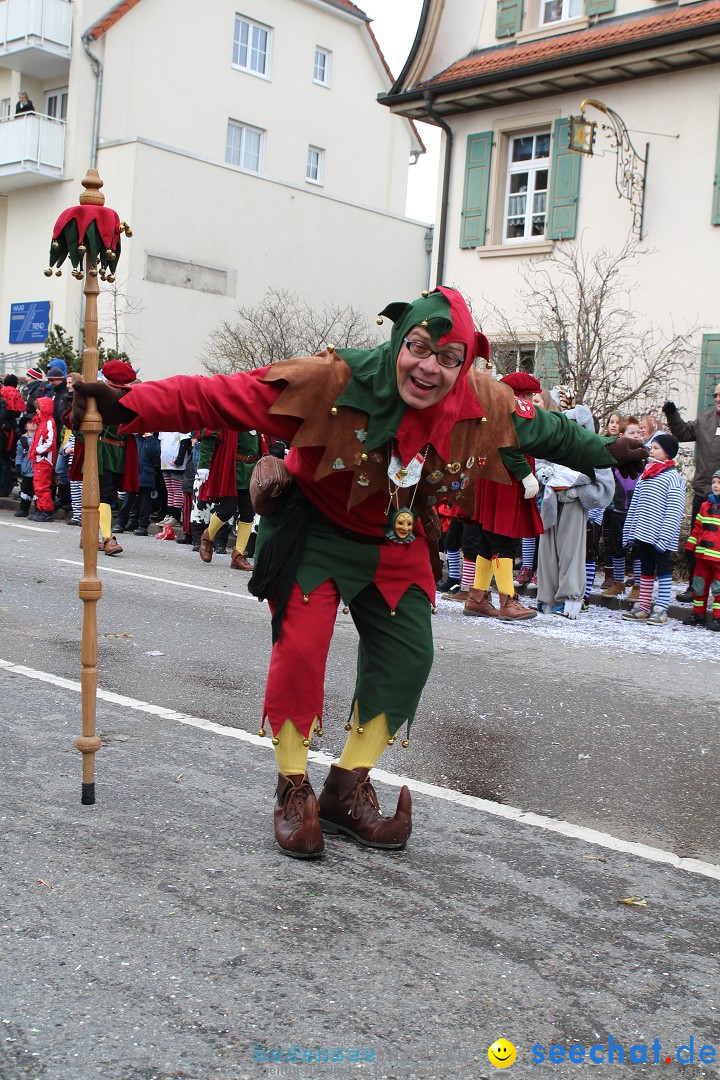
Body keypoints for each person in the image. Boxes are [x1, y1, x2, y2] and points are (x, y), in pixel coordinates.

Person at [70, 286, 647, 859]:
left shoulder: (483, 401)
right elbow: (220, 395)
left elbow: (549, 431)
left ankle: (347, 787)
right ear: (399, 338)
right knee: (301, 650)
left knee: (409, 654)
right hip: (314, 529)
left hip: (394, 536)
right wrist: (129, 405)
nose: (428, 368)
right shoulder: (332, 379)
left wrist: (607, 450)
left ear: (465, 363)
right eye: (419, 347)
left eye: (448, 359)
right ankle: (292, 788)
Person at [463, 371, 542, 621]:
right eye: (528, 395)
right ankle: (508, 601)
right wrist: (526, 474)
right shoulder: (509, 413)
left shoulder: (496, 410)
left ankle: (476, 598)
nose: (531, 399)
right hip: (504, 483)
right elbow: (508, 448)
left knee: (488, 543)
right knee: (504, 540)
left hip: (495, 483)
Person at [535, 405, 614, 619]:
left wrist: (577, 493)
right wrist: (543, 474)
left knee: (571, 552)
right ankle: (547, 597)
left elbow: (605, 488)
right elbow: (538, 465)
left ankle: (569, 599)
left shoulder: (593, 450)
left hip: (574, 507)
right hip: (551, 504)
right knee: (547, 552)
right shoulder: (554, 446)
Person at [621, 433, 686, 625]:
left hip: (660, 537)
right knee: (646, 570)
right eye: (652, 447)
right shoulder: (646, 475)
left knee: (664, 571)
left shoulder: (673, 478)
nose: (652, 451)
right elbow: (635, 505)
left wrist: (664, 538)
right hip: (643, 534)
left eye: (657, 448)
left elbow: (674, 511)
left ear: (668, 453)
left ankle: (661, 609)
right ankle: (643, 606)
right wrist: (629, 532)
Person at [663, 385, 720, 602]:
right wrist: (671, 413)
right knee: (697, 545)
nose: (716, 398)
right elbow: (683, 433)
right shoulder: (705, 420)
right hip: (703, 491)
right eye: (715, 394)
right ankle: (694, 590)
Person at [196, 428, 261, 570]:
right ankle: (207, 537)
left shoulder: (256, 415)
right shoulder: (230, 412)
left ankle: (239, 555)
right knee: (228, 508)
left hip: (251, 470)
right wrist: (203, 465)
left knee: (248, 512)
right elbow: (209, 437)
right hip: (231, 468)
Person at [685, 469, 720, 630]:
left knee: (718, 589)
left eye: (719, 483)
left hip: (718, 559)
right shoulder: (706, 505)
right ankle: (698, 614)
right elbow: (697, 528)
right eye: (714, 482)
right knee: (699, 586)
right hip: (702, 556)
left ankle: (717, 618)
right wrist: (690, 546)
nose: (716, 485)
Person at [28, 397, 57, 521]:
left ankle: (47, 511)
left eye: (38, 409)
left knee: (42, 486)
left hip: (44, 459)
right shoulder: (44, 422)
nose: (37, 411)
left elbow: (50, 442)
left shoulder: (49, 422)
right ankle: (41, 509)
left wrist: (37, 450)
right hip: (40, 458)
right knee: (38, 485)